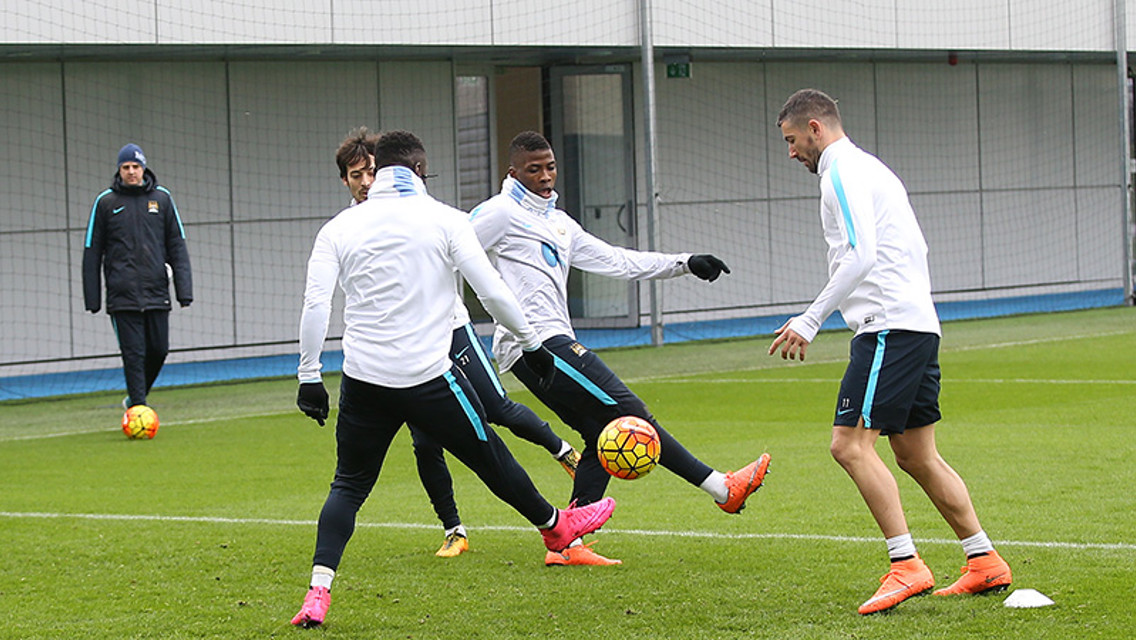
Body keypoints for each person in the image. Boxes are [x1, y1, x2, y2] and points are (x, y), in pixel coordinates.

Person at [290, 130, 615, 628]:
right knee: (489, 453)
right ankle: (555, 528)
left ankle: (318, 591)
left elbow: (316, 304)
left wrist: (310, 376)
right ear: (420, 170)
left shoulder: (338, 227)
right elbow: (493, 292)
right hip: (426, 378)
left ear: (376, 173)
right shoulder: (446, 219)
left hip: (363, 380)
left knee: (349, 485)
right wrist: (531, 344)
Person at [468, 131, 771, 567]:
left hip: (548, 343)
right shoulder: (498, 213)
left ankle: (566, 545)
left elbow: (616, 260)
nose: (545, 176)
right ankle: (722, 489)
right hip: (536, 345)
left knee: (598, 437)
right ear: (512, 172)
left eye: (550, 166)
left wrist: (683, 263)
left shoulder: (559, 223)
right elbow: (452, 251)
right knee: (631, 415)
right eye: (534, 169)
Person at [769, 89, 1012, 615]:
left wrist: (810, 320)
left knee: (849, 445)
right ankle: (983, 560)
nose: (790, 153)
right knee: (917, 455)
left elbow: (861, 255)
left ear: (815, 127)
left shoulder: (841, 170)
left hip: (887, 329)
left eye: (791, 141)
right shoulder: (871, 168)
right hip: (916, 325)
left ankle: (906, 564)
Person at [331, 126, 580, 559]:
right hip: (406, 356)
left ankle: (562, 450)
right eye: (356, 176)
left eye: (371, 171)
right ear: (346, 181)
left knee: (497, 410)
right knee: (425, 441)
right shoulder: (350, 227)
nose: (366, 182)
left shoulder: (423, 212)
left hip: (452, 330)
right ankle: (454, 528)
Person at [82, 143, 192, 410]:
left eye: (135, 166)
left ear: (144, 168)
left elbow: (177, 245)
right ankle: (138, 409)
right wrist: (93, 299)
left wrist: (183, 290)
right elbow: (92, 251)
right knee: (134, 355)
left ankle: (136, 396)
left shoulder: (163, 199)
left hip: (156, 292)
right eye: (126, 167)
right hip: (122, 295)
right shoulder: (106, 202)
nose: (131, 172)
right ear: (119, 170)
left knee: (158, 351)